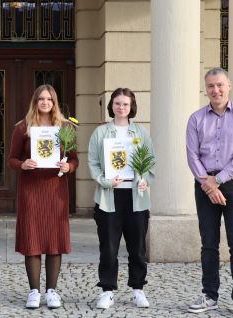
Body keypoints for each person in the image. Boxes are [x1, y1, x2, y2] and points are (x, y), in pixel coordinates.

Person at [186, 67, 233, 318]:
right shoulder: (196, 119)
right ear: (206, 89)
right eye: (210, 86)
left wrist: (219, 180)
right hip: (204, 182)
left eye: (219, 85)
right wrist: (209, 184)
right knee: (208, 243)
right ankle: (209, 295)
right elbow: (192, 155)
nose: (215, 90)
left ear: (229, 86)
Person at [8, 84, 79, 309]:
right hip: (31, 191)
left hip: (55, 191)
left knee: (54, 240)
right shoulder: (23, 128)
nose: (45, 103)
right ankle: (34, 291)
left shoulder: (65, 127)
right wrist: (23, 164)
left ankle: (51, 291)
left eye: (49, 99)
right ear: (35, 102)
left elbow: (74, 159)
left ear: (54, 102)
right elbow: (11, 159)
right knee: (33, 240)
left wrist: (69, 168)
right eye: (41, 99)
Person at [87, 87, 154, 310]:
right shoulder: (101, 133)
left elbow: (150, 161)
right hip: (109, 197)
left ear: (132, 107)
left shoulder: (141, 133)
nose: (121, 107)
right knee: (108, 247)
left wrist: (144, 179)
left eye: (125, 104)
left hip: (136, 197)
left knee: (137, 247)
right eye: (117, 103)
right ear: (111, 106)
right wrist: (105, 181)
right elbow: (94, 163)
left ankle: (138, 289)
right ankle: (107, 290)